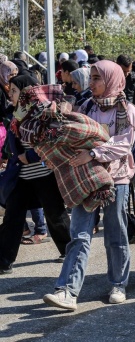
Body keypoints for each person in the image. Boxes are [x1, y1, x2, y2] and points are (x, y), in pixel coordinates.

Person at [42, 60, 135, 309]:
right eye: (92, 77)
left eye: (98, 78)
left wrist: (93, 154)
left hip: (116, 179)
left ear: (112, 80)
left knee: (115, 231)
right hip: (86, 178)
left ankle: (118, 283)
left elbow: (123, 144)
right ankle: (67, 291)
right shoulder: (87, 105)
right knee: (79, 234)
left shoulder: (126, 109)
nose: (93, 82)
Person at [0, 75, 72, 274]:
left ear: (26, 92)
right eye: (10, 90)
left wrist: (31, 155)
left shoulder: (43, 110)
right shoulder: (15, 113)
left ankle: (71, 251)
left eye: (14, 90)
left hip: (43, 172)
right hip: (21, 175)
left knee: (55, 214)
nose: (10, 94)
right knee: (12, 217)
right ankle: (4, 260)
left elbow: (52, 139)